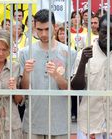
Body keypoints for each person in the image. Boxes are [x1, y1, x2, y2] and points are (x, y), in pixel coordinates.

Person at [71, 14, 112, 139]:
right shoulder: (84, 53)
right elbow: (76, 87)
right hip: (90, 122)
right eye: (104, 32)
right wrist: (83, 62)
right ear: (98, 30)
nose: (108, 37)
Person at [20, 9, 75, 138]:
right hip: (33, 121)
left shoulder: (69, 53)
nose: (43, 34)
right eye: (39, 29)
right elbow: (23, 90)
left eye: (47, 29)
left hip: (59, 122)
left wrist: (56, 75)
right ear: (34, 28)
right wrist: (26, 73)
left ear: (55, 27)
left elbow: (70, 89)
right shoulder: (25, 52)